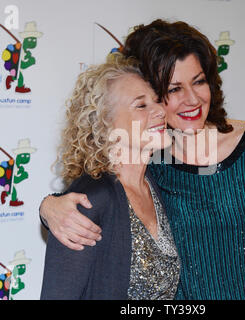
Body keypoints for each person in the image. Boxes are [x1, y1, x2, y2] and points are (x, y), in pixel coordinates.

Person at [40, 20, 245, 300]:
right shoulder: (153, 159)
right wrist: (48, 207)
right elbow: (95, 197)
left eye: (199, 81)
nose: (192, 99)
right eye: (174, 89)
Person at [40, 53, 180, 300]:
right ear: (106, 124)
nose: (160, 110)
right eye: (141, 105)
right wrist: (47, 208)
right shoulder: (90, 199)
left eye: (157, 100)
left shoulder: (158, 183)